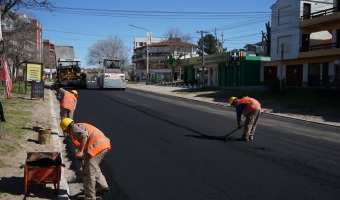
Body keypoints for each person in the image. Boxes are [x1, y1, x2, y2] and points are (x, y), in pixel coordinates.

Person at [60, 118, 111, 200]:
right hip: (102, 145)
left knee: (88, 172)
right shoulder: (79, 126)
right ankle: (102, 186)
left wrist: (80, 151)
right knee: (92, 166)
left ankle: (90, 197)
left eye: (65, 132)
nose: (67, 134)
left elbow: (84, 136)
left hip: (97, 146)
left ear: (66, 128)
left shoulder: (74, 128)